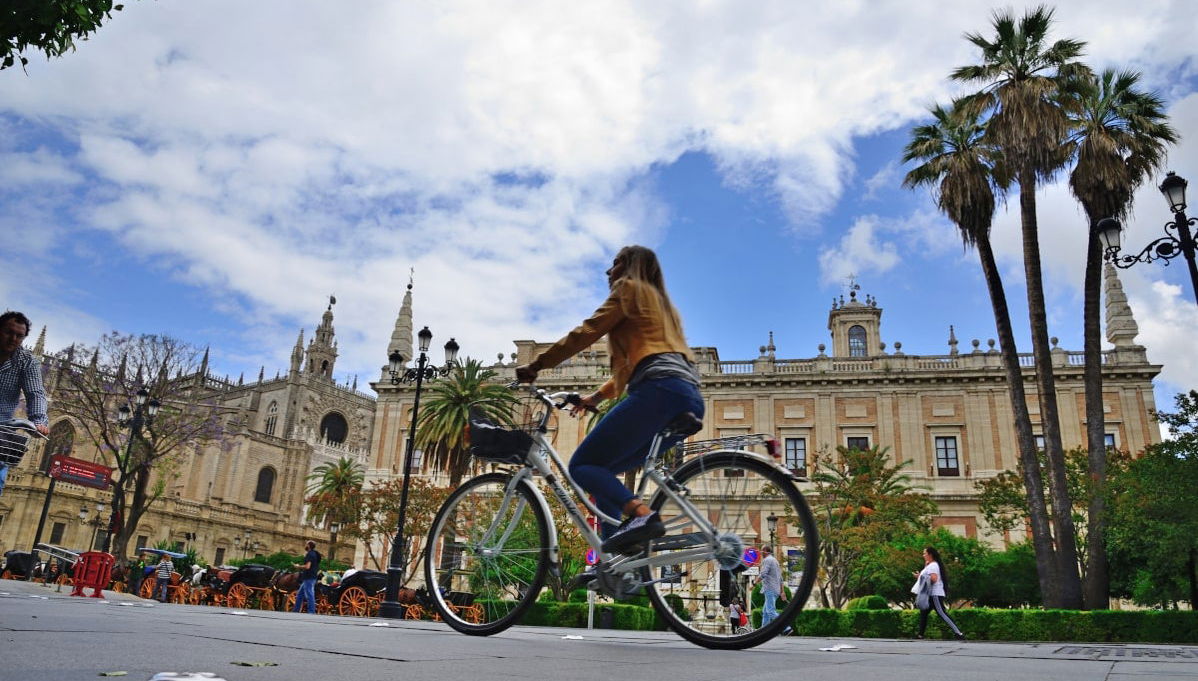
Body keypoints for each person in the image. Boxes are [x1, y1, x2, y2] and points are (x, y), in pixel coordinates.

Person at [515, 246, 704, 556]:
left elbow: (586, 332)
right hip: (689, 398)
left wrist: (537, 364)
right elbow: (627, 371)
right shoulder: (663, 308)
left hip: (659, 390)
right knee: (601, 472)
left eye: (615, 263)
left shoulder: (629, 289)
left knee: (582, 465)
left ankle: (642, 515)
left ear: (630, 267)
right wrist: (595, 397)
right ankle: (615, 560)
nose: (608, 271)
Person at [0, 311, 49, 497]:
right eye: (8, 332)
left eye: (19, 336)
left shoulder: (26, 362)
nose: (13, 339)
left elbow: (36, 393)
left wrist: (39, 421)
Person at [911, 545, 966, 641]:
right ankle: (920, 634)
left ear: (930, 555)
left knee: (942, 613)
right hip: (930, 594)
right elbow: (928, 576)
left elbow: (934, 579)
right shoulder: (931, 565)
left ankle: (958, 633)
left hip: (935, 594)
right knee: (923, 613)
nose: (923, 555)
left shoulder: (933, 566)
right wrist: (920, 575)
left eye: (924, 553)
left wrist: (922, 577)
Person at [755, 545, 788, 634]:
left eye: (762, 550)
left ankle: (786, 627)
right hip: (775, 590)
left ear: (766, 551)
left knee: (770, 611)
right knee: (765, 612)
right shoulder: (775, 561)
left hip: (770, 589)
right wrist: (782, 592)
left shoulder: (767, 560)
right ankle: (763, 631)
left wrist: (754, 583)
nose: (761, 552)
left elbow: (763, 574)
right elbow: (780, 578)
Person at [292, 540, 321, 614]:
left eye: (306, 544)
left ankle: (311, 611)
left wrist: (298, 566)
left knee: (309, 594)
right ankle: (296, 610)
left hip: (309, 577)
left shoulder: (310, 554)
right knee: (300, 594)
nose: (305, 545)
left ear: (309, 546)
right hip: (311, 576)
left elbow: (308, 566)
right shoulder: (315, 554)